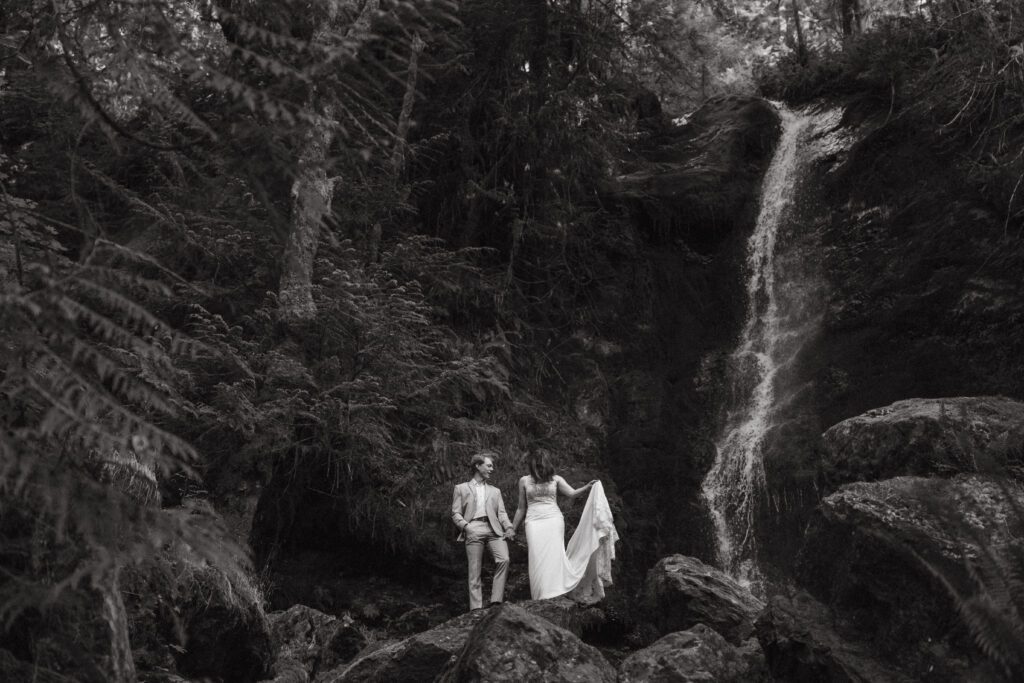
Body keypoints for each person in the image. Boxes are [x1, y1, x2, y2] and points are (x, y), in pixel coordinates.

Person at [511, 448, 619, 603]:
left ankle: (554, 592)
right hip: (533, 521)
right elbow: (521, 508)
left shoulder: (556, 479)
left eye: (541, 465)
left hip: (553, 519)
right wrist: (512, 528)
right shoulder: (524, 481)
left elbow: (572, 493)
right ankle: (540, 594)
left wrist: (587, 487)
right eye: (536, 465)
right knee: (536, 556)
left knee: (554, 555)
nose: (539, 468)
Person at [450, 451, 515, 610]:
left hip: (494, 529)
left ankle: (496, 601)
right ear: (478, 466)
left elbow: (502, 513)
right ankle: (476, 609)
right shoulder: (461, 488)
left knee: (504, 559)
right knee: (474, 570)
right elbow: (455, 513)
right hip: (473, 527)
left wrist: (508, 527)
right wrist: (466, 527)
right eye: (489, 465)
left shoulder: (495, 491)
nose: (492, 469)